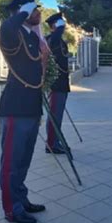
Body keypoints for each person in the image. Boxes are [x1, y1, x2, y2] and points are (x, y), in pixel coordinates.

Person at [0, 0, 48, 223]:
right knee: (11, 162)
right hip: (15, 108)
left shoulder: (31, 36)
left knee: (24, 161)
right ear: (22, 12)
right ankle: (12, 209)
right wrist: (20, 13)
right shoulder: (12, 33)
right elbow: (5, 29)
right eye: (33, 9)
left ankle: (21, 199)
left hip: (31, 108)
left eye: (36, 8)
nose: (37, 12)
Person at [45, 12, 70, 154]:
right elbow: (54, 38)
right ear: (54, 26)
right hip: (55, 85)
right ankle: (52, 144)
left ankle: (55, 141)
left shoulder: (60, 41)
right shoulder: (51, 40)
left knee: (58, 116)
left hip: (62, 84)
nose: (63, 26)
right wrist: (60, 27)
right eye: (60, 23)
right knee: (54, 116)